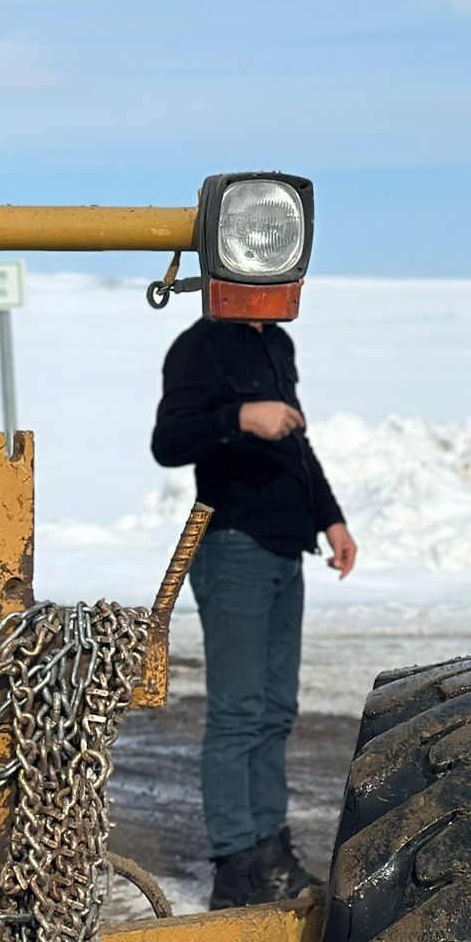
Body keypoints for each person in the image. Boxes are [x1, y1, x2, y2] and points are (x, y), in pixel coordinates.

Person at [152, 312, 358, 909]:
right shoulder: (201, 345)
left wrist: (332, 519)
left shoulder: (278, 343)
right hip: (233, 546)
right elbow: (168, 442)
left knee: (275, 711)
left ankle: (269, 848)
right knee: (238, 712)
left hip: (286, 550)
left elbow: (297, 442)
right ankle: (235, 865)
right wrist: (239, 418)